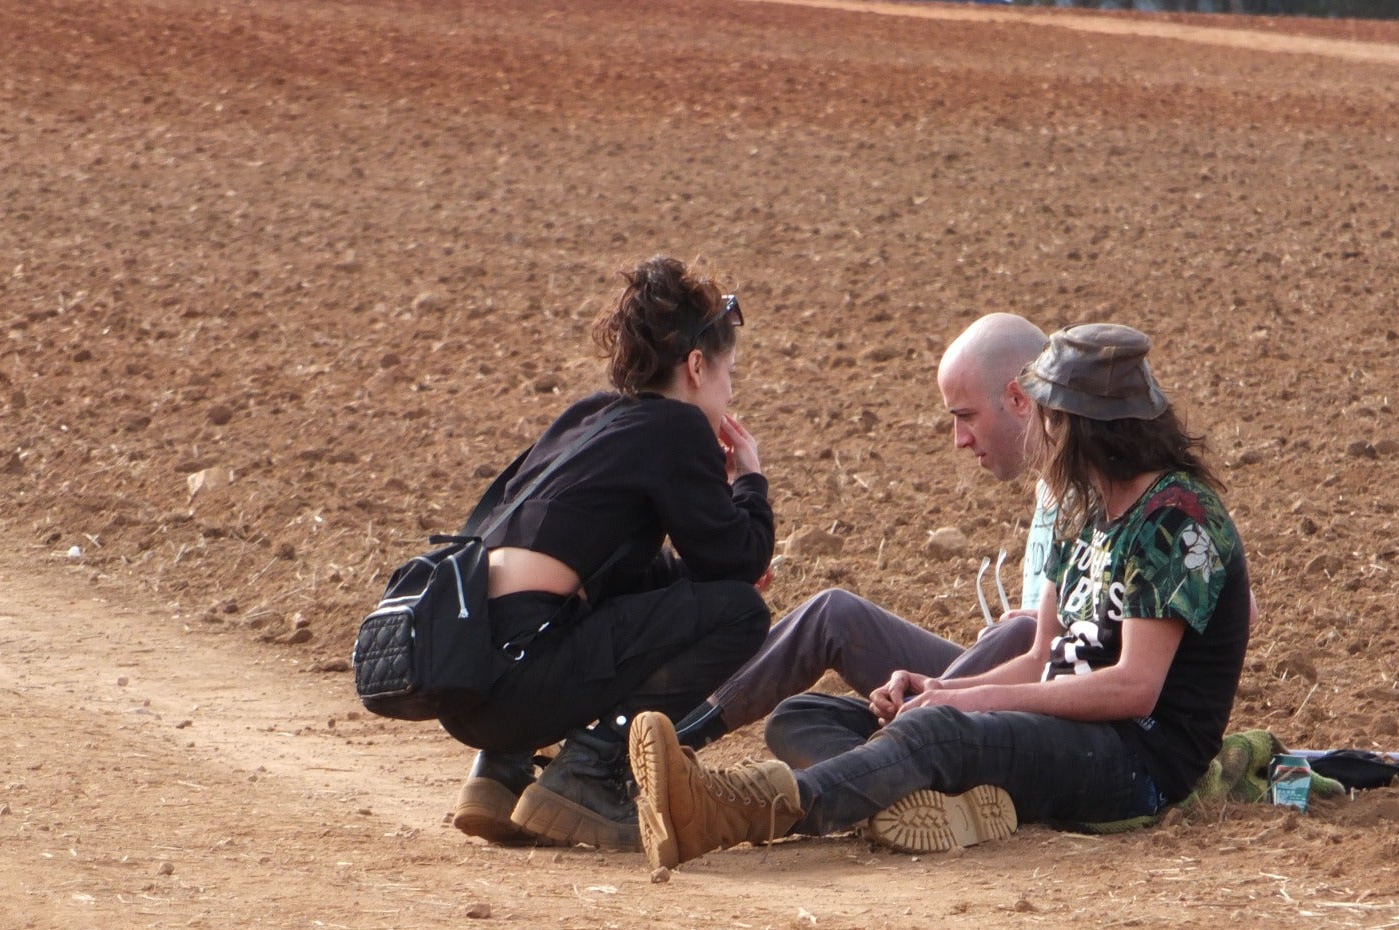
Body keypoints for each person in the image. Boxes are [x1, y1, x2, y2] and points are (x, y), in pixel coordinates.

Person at [628, 324, 1252, 868]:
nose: (1038, 428)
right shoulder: (1080, 509)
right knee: (805, 717)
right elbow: (1040, 657)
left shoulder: (1177, 517)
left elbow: (1132, 688)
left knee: (938, 736)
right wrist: (941, 690)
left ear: (1087, 426)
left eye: (1048, 415)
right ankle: (935, 800)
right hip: (1057, 722)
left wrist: (966, 702)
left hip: (1134, 760)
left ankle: (737, 813)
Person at [440, 255, 774, 851]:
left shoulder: (587, 418)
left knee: (616, 593)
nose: (728, 395)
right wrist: (748, 481)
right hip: (522, 682)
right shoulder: (677, 427)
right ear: (696, 366)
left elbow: (625, 574)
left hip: (466, 680)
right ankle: (590, 771)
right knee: (742, 613)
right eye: (729, 377)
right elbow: (739, 565)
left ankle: (500, 773)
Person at [671, 312, 1052, 752]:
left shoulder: (1100, 490)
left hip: (1047, 710)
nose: (958, 439)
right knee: (807, 686)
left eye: (966, 415)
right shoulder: (1051, 489)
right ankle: (679, 734)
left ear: (1019, 399)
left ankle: (909, 752)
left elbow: (1117, 653)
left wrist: (1049, 629)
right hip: (1008, 688)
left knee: (1017, 634)